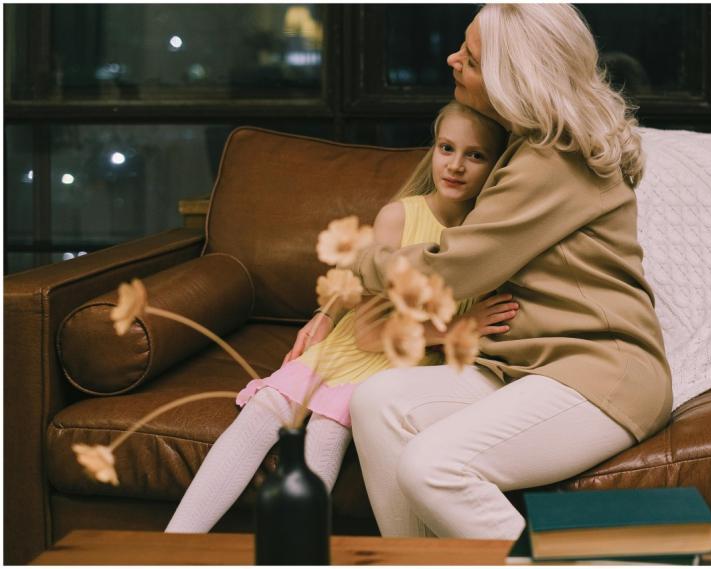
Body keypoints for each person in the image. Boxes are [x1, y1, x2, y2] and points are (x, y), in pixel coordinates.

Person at [338, 4, 673, 540]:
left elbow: (449, 274)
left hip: (597, 376)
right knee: (375, 401)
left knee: (435, 467)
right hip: (530, 366)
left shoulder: (551, 161)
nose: (452, 60)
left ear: (507, 80)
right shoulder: (529, 146)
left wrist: (360, 258)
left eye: (468, 59)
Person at [164, 100, 515, 533]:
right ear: (434, 150)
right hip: (356, 347)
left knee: (329, 428)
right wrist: (457, 330)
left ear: (497, 166)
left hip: (401, 373)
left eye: (475, 155)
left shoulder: (490, 237)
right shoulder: (399, 216)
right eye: (446, 148)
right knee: (265, 407)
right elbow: (368, 334)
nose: (456, 165)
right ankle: (175, 545)